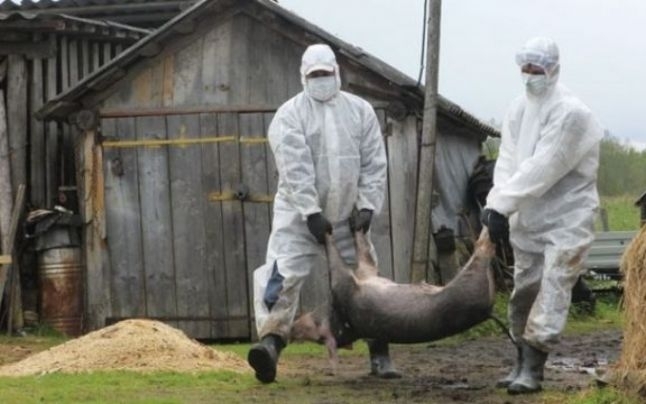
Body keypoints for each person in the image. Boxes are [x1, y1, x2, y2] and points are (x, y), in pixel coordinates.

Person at [248, 43, 393, 384]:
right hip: (298, 218)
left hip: (346, 217)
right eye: (314, 75)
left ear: (337, 73)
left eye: (326, 74)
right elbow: (294, 166)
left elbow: (374, 161)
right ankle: (270, 345)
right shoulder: (290, 115)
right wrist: (311, 212)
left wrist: (368, 205)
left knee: (366, 281)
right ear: (303, 77)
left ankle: (380, 354)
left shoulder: (360, 111)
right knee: (278, 277)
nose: (321, 80)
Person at [481, 37, 604, 395]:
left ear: (553, 70)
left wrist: (503, 204)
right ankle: (520, 358)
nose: (530, 75)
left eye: (537, 69)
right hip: (529, 218)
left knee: (552, 290)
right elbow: (507, 159)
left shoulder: (573, 114)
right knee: (525, 292)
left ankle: (533, 368)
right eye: (526, 68)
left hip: (567, 218)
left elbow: (544, 166)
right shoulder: (518, 108)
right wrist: (497, 202)